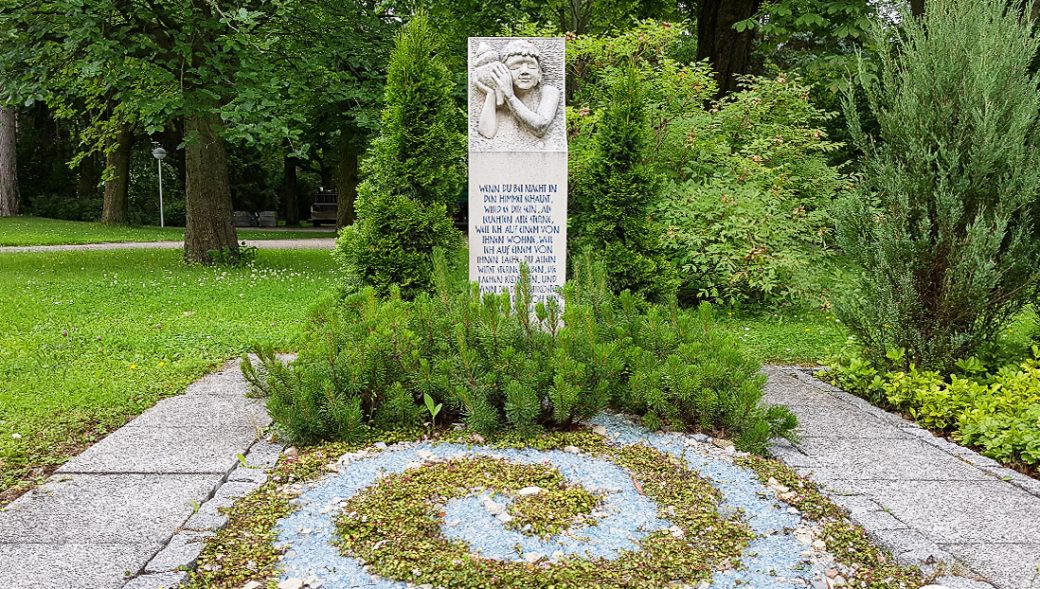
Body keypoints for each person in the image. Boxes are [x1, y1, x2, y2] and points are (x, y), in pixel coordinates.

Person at [475, 40, 561, 141]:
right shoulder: (500, 98)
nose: (525, 71)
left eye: (531, 66)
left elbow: (540, 127)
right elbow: (486, 133)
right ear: (503, 72)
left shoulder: (549, 91)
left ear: (539, 74)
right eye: (515, 67)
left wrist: (510, 97)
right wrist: (491, 92)